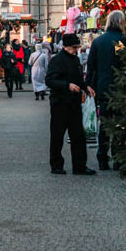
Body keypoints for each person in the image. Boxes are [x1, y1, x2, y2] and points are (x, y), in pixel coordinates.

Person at [44, 33, 96, 176]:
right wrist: (67, 85)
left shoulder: (75, 60)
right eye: (74, 47)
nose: (76, 49)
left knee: (78, 136)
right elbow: (49, 80)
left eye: (77, 47)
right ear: (66, 47)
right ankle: (56, 165)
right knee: (57, 136)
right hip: (59, 104)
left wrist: (86, 87)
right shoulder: (57, 61)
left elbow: (78, 79)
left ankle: (79, 166)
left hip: (74, 103)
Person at [86, 10, 126, 170]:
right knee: (119, 124)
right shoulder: (124, 40)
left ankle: (102, 158)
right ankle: (118, 158)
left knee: (104, 123)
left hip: (103, 87)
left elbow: (91, 65)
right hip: (121, 87)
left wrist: (89, 84)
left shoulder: (98, 41)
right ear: (121, 22)